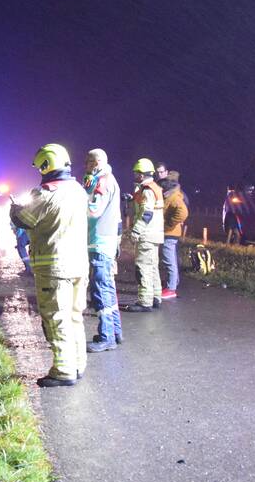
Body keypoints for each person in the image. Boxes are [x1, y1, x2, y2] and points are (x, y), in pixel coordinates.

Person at [11, 143, 89, 387]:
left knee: (56, 317)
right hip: (79, 264)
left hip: (54, 266)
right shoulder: (77, 189)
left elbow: (24, 220)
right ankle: (77, 364)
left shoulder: (45, 192)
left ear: (45, 165)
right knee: (75, 315)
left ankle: (63, 370)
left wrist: (15, 207)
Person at [83, 148, 124, 352]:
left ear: (97, 162)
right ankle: (115, 332)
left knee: (100, 290)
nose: (86, 166)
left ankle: (106, 336)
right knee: (108, 288)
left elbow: (94, 210)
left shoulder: (103, 181)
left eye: (89, 162)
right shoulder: (107, 179)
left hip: (99, 243)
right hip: (104, 242)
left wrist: (76, 204)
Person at [121, 158, 166, 312]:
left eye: (136, 173)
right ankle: (155, 297)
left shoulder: (147, 190)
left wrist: (136, 231)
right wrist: (132, 197)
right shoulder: (154, 188)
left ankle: (144, 302)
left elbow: (146, 213)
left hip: (146, 234)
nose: (134, 175)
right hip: (155, 234)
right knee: (152, 267)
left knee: (143, 268)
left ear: (141, 174)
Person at [160, 170, 189, 299]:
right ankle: (172, 285)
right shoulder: (171, 195)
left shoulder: (174, 197)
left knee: (169, 260)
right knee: (170, 259)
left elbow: (183, 212)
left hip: (170, 233)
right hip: (169, 232)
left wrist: (170, 224)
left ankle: (171, 288)